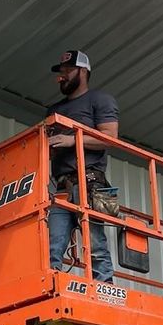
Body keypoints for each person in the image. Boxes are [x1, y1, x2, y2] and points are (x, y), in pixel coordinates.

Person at [46, 50, 118, 284]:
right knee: (53, 244)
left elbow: (109, 138)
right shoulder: (54, 110)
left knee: (94, 242)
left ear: (83, 72)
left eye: (68, 71)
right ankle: (52, 284)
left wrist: (72, 139)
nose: (62, 77)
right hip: (61, 187)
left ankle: (104, 286)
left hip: (88, 182)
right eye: (61, 72)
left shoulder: (100, 100)